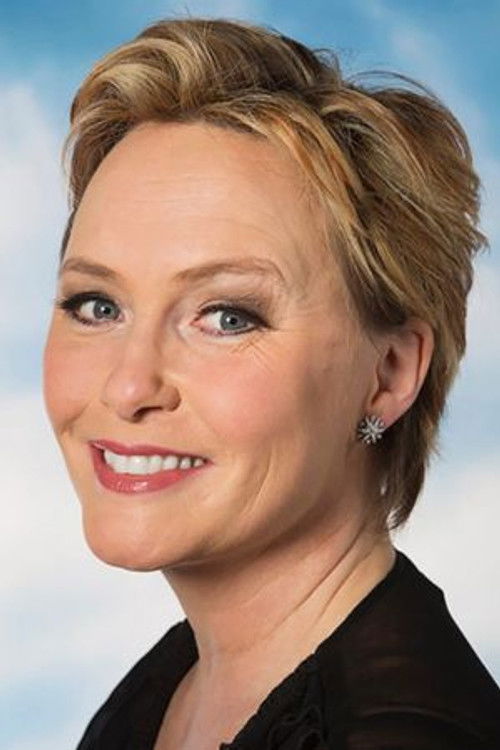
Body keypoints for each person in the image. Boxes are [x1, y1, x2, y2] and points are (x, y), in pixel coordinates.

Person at [43, 17, 499, 750]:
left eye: (227, 317)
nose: (128, 388)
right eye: (97, 306)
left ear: (387, 375)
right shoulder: (176, 682)